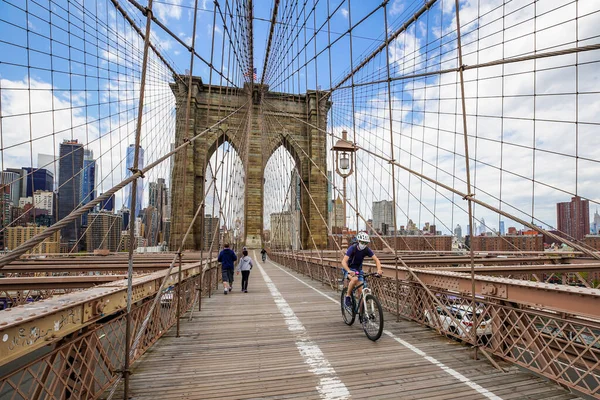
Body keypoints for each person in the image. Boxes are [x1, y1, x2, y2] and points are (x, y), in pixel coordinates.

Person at [341, 231, 382, 307]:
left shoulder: (366, 250)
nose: (364, 244)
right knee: (354, 279)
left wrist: (379, 269)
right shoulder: (352, 248)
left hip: (358, 270)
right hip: (348, 268)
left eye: (366, 243)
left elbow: (376, 260)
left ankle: (362, 315)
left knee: (362, 293)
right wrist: (349, 271)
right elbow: (343, 262)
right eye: (362, 242)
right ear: (358, 241)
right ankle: (348, 296)